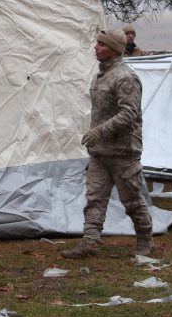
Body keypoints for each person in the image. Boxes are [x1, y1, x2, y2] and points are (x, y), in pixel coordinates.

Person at [62, 29, 154, 259]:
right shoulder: (100, 76)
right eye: (97, 44)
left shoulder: (125, 78)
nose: (96, 47)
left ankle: (145, 240)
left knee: (132, 200)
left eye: (101, 45)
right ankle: (90, 242)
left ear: (113, 49)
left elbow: (129, 114)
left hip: (123, 152)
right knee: (94, 198)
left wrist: (99, 132)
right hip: (100, 153)